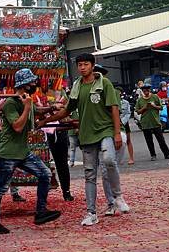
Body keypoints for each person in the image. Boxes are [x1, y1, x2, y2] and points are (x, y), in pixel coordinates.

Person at [39, 53, 130, 226]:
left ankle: (118, 196)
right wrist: (47, 120)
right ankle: (91, 212)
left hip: (105, 130)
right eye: (79, 65)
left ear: (93, 65)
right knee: (90, 174)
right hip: (87, 134)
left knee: (109, 160)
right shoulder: (77, 86)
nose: (82, 67)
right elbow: (67, 110)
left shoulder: (104, 83)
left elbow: (114, 109)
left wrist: (117, 133)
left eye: (85, 64)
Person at [0, 69, 61, 234]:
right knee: (1, 188)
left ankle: (41, 212)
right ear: (24, 85)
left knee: (45, 174)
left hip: (22, 151)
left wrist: (51, 108)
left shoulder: (27, 100)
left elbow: (37, 111)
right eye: (32, 82)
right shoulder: (11, 103)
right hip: (8, 153)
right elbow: (18, 127)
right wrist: (27, 108)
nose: (35, 84)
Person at [43, 90, 74, 201]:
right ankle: (42, 195)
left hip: (59, 130)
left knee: (62, 163)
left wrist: (57, 108)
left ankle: (66, 191)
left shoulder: (60, 90)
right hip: (42, 128)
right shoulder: (34, 91)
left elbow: (66, 107)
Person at [135, 84, 169, 161]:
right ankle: (153, 155)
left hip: (156, 122)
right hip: (145, 123)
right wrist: (144, 108)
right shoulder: (140, 100)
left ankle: (167, 154)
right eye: (144, 91)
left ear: (149, 90)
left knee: (161, 140)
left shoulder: (155, 97)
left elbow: (161, 107)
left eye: (147, 90)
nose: (146, 92)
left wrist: (154, 106)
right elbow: (138, 111)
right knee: (149, 141)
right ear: (142, 91)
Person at [117, 88, 135, 165]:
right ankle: (118, 159)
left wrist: (122, 121)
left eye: (119, 93)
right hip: (114, 123)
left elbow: (128, 113)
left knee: (128, 140)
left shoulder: (125, 102)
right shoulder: (111, 102)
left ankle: (131, 158)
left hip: (124, 123)